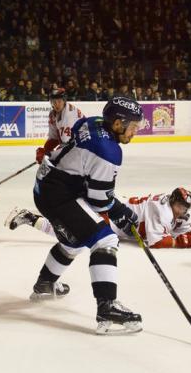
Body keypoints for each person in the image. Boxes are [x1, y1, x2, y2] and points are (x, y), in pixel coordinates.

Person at [30, 96, 145, 335]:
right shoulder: (109, 152)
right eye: (132, 127)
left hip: (48, 185)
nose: (134, 132)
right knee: (105, 240)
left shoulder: (92, 122)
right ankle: (107, 308)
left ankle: (45, 284)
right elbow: (99, 200)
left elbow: (74, 140)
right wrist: (121, 212)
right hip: (59, 195)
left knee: (75, 238)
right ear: (117, 124)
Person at [6, 188, 191, 249]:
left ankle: (32, 217)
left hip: (118, 214)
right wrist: (185, 243)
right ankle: (29, 216)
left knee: (71, 234)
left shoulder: (176, 212)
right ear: (172, 201)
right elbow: (156, 242)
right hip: (113, 215)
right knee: (71, 236)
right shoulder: (162, 210)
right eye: (179, 206)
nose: (181, 211)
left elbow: (182, 230)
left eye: (184, 208)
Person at [34, 87, 84, 164]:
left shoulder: (68, 116)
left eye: (59, 101)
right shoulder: (53, 115)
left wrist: (48, 156)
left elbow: (66, 146)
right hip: (74, 144)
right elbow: (54, 138)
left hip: (84, 147)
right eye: (54, 101)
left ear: (64, 101)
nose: (56, 104)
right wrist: (46, 150)